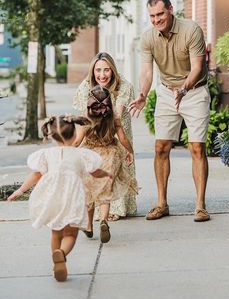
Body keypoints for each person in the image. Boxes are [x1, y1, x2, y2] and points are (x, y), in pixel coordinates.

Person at [128, 0, 211, 223]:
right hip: (166, 92)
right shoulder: (148, 38)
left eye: (160, 14)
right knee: (161, 147)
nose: (156, 20)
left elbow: (197, 66)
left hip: (193, 92)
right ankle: (162, 203)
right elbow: (146, 72)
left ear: (171, 9)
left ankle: (200, 206)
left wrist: (184, 89)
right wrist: (143, 94)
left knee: (197, 147)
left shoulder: (191, 30)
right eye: (152, 16)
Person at [7, 115, 111, 282]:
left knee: (56, 232)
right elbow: (95, 172)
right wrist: (107, 173)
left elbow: (35, 175)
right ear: (74, 133)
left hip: (52, 197)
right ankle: (62, 254)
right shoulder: (81, 154)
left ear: (52, 136)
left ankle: (56, 261)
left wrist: (19, 191)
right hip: (72, 197)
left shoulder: (46, 155)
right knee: (71, 233)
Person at [73, 52, 137, 221]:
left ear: (113, 70)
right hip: (94, 131)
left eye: (107, 70)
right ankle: (98, 207)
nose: (102, 75)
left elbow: (118, 114)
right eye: (98, 70)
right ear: (92, 71)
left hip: (117, 127)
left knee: (119, 167)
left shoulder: (123, 85)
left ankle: (117, 208)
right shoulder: (85, 87)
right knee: (96, 171)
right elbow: (83, 118)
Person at [75, 85, 138, 243]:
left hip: (89, 156)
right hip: (109, 155)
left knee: (89, 192)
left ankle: (89, 226)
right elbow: (123, 139)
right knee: (105, 192)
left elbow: (77, 141)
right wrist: (130, 151)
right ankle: (104, 220)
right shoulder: (114, 116)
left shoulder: (86, 118)